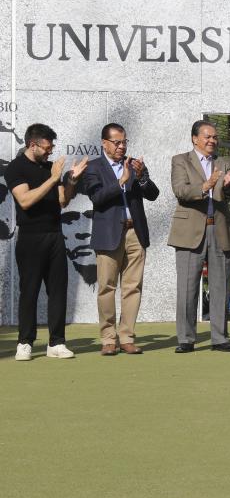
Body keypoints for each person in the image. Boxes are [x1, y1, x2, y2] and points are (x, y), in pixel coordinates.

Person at [4, 123, 88, 360]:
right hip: (30, 237)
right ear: (33, 144)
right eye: (47, 147)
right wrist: (52, 179)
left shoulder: (52, 168)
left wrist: (71, 180)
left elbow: (63, 201)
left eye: (52, 147)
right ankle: (25, 343)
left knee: (58, 290)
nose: (51, 151)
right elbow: (25, 201)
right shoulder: (16, 168)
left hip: (54, 236)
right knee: (29, 291)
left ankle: (57, 342)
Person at [80, 123, 160, 356]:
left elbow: (153, 195)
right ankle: (108, 338)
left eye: (124, 142)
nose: (121, 146)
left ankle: (127, 337)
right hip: (108, 235)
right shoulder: (94, 167)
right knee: (107, 287)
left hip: (135, 232)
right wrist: (121, 181)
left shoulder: (133, 164)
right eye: (117, 142)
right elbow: (97, 197)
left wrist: (142, 175)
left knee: (133, 287)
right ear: (104, 143)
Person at [168, 120, 230, 353]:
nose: (212, 141)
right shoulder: (180, 160)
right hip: (190, 232)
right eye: (207, 137)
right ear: (194, 138)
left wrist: (227, 187)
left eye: (215, 137)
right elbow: (180, 191)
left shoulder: (224, 162)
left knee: (220, 286)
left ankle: (219, 338)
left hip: (219, 229)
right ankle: (186, 339)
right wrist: (205, 186)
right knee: (187, 288)